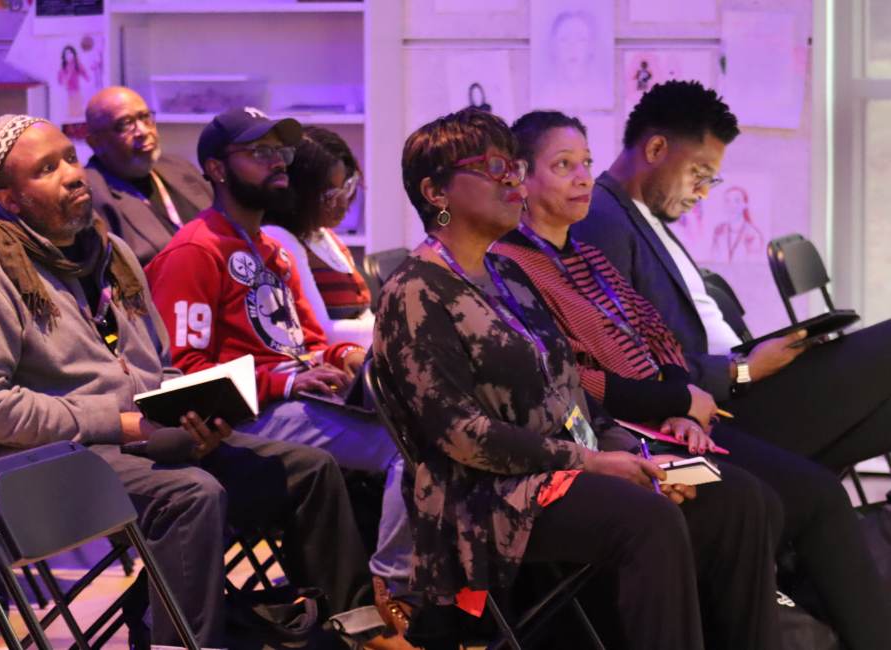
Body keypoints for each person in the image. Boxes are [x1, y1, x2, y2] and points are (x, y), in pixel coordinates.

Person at [0, 114, 373, 647]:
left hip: (140, 436)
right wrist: (116, 423)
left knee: (310, 470)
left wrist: (190, 414)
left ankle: (352, 629)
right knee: (192, 494)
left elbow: (159, 364)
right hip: (46, 463)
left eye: (69, 158)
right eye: (46, 170)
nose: (71, 174)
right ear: (10, 198)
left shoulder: (111, 254)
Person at [375, 106, 783, 650]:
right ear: (436, 192)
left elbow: (567, 396)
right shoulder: (415, 290)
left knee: (735, 498)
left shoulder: (508, 274)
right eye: (494, 167)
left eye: (515, 167)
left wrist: (634, 454)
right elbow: (461, 436)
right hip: (485, 496)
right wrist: (591, 462)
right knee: (649, 519)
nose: (512, 181)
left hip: (563, 467)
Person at [495, 109, 891, 650]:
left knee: (813, 490)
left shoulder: (584, 254)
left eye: (585, 162)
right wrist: (684, 396)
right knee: (771, 500)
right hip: (632, 431)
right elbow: (579, 383)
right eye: (564, 165)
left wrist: (682, 400)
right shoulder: (517, 265)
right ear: (521, 177)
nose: (583, 176)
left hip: (680, 413)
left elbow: (656, 335)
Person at [144, 108, 415, 647]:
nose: (277, 163)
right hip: (247, 417)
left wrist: (346, 356)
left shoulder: (270, 249)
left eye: (280, 152)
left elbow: (309, 341)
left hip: (295, 403)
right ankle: (393, 597)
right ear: (217, 169)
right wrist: (285, 383)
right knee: (407, 448)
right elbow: (184, 373)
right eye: (259, 153)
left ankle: (428, 594)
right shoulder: (195, 251)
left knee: (425, 423)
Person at [572, 80, 891, 472]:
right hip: (725, 406)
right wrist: (743, 370)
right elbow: (627, 362)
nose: (704, 192)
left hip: (747, 381)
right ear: (655, 149)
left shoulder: (645, 218)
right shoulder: (603, 222)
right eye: (698, 173)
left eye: (711, 179)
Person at [263, 126, 373, 347]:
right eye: (330, 195)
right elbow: (320, 330)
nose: (343, 203)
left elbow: (364, 315)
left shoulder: (323, 235)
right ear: (299, 194)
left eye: (347, 187)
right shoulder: (280, 240)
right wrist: (399, 327)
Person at [85, 86, 212, 266]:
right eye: (125, 124)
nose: (143, 131)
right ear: (95, 142)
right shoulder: (91, 195)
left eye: (145, 117)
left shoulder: (179, 167)